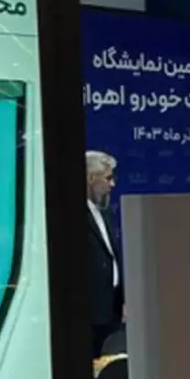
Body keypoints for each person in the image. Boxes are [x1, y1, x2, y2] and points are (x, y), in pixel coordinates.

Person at [86, 151, 123, 356]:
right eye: (108, 178)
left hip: (111, 308)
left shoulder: (105, 210)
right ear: (91, 178)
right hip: (90, 312)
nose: (113, 184)